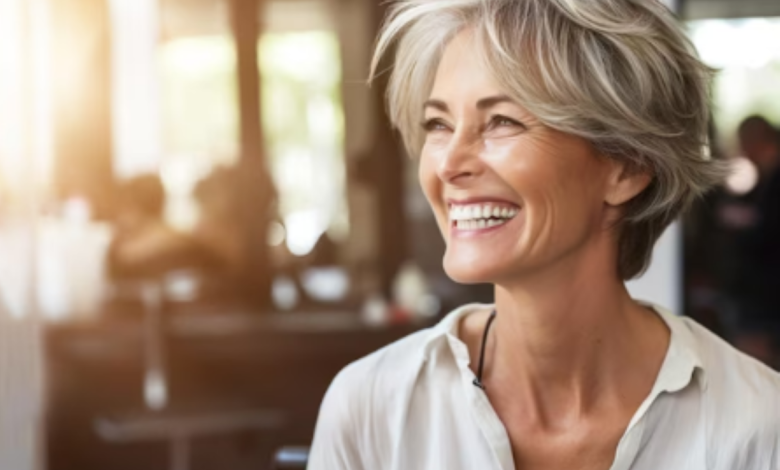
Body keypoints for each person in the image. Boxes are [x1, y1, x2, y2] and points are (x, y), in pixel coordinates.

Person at [308, 1, 780, 469]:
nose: (449, 164)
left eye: (502, 121)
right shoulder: (372, 410)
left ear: (629, 164)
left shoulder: (755, 428)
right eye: (439, 124)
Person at [722, 116, 780, 365]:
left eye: (742, 144)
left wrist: (746, 226)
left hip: (767, 292)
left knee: (756, 363)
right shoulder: (766, 178)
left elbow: (770, 230)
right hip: (764, 289)